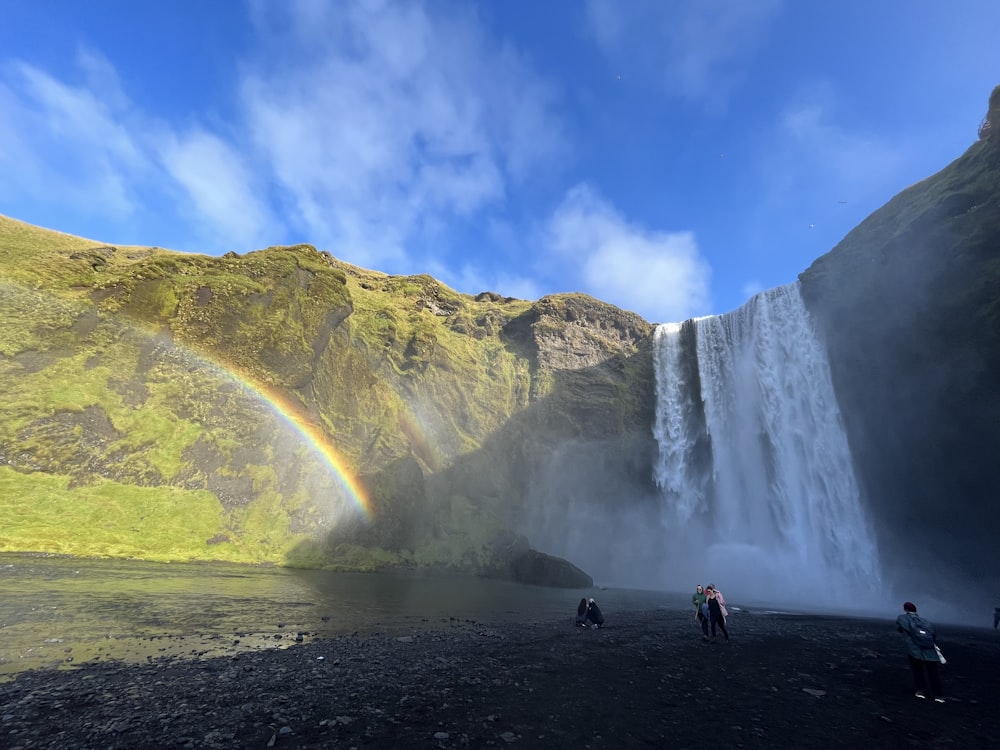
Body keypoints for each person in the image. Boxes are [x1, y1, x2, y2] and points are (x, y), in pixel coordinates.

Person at [896, 601, 945, 702]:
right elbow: (933, 634)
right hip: (929, 649)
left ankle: (921, 691)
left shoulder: (902, 618)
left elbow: (901, 628)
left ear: (906, 610)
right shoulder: (925, 621)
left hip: (915, 649)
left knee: (918, 671)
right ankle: (938, 695)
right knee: (933, 672)